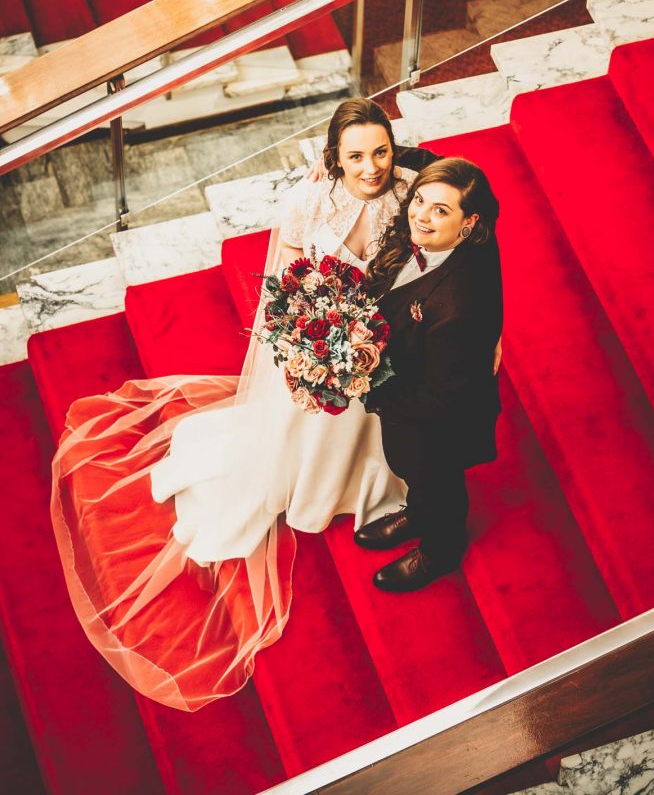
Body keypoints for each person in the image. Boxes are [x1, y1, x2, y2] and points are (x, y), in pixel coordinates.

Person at [49, 97, 434, 710]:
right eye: (356, 156)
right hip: (320, 342)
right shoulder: (309, 201)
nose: (371, 167)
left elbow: (444, 205)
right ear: (334, 158)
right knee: (299, 432)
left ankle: (350, 481)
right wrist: (309, 349)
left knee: (366, 427)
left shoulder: (412, 192)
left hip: (375, 346)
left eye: (381, 152)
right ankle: (301, 482)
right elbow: (286, 285)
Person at [356, 158, 503, 592]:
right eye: (419, 200)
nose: (420, 215)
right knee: (410, 469)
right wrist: (343, 152)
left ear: (469, 222)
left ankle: (440, 548)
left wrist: (367, 389)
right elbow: (428, 160)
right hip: (412, 383)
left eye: (440, 210)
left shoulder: (457, 307)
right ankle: (418, 513)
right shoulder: (450, 233)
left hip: (436, 417)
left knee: (435, 478)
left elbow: (444, 397)